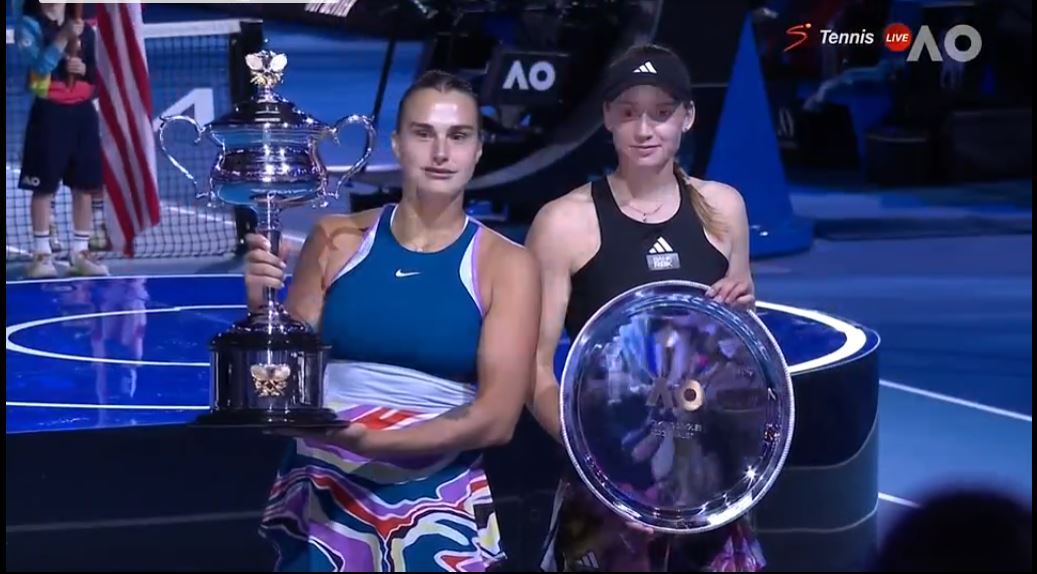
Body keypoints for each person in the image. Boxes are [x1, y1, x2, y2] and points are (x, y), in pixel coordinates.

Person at [245, 70, 541, 571]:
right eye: (424, 134)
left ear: (478, 149)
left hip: (435, 511)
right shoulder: (335, 239)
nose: (441, 152)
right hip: (326, 498)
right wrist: (261, 313)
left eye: (458, 136)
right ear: (397, 144)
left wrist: (375, 443)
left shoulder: (508, 266)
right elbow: (282, 388)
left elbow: (496, 420)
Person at [524, 44, 763, 571]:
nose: (644, 129)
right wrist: (598, 464)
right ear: (607, 117)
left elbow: (737, 363)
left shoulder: (725, 209)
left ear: (687, 117)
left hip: (708, 481)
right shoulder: (564, 223)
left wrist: (743, 310)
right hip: (607, 483)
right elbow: (533, 367)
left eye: (661, 112)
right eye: (629, 112)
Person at [14, 0, 108, 278]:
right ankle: (42, 255)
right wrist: (64, 37)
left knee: (84, 186)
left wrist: (83, 70)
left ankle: (80, 252)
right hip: (49, 113)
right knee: (43, 187)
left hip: (82, 114)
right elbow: (40, 67)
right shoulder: (28, 27)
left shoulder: (85, 30)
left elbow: (96, 78)